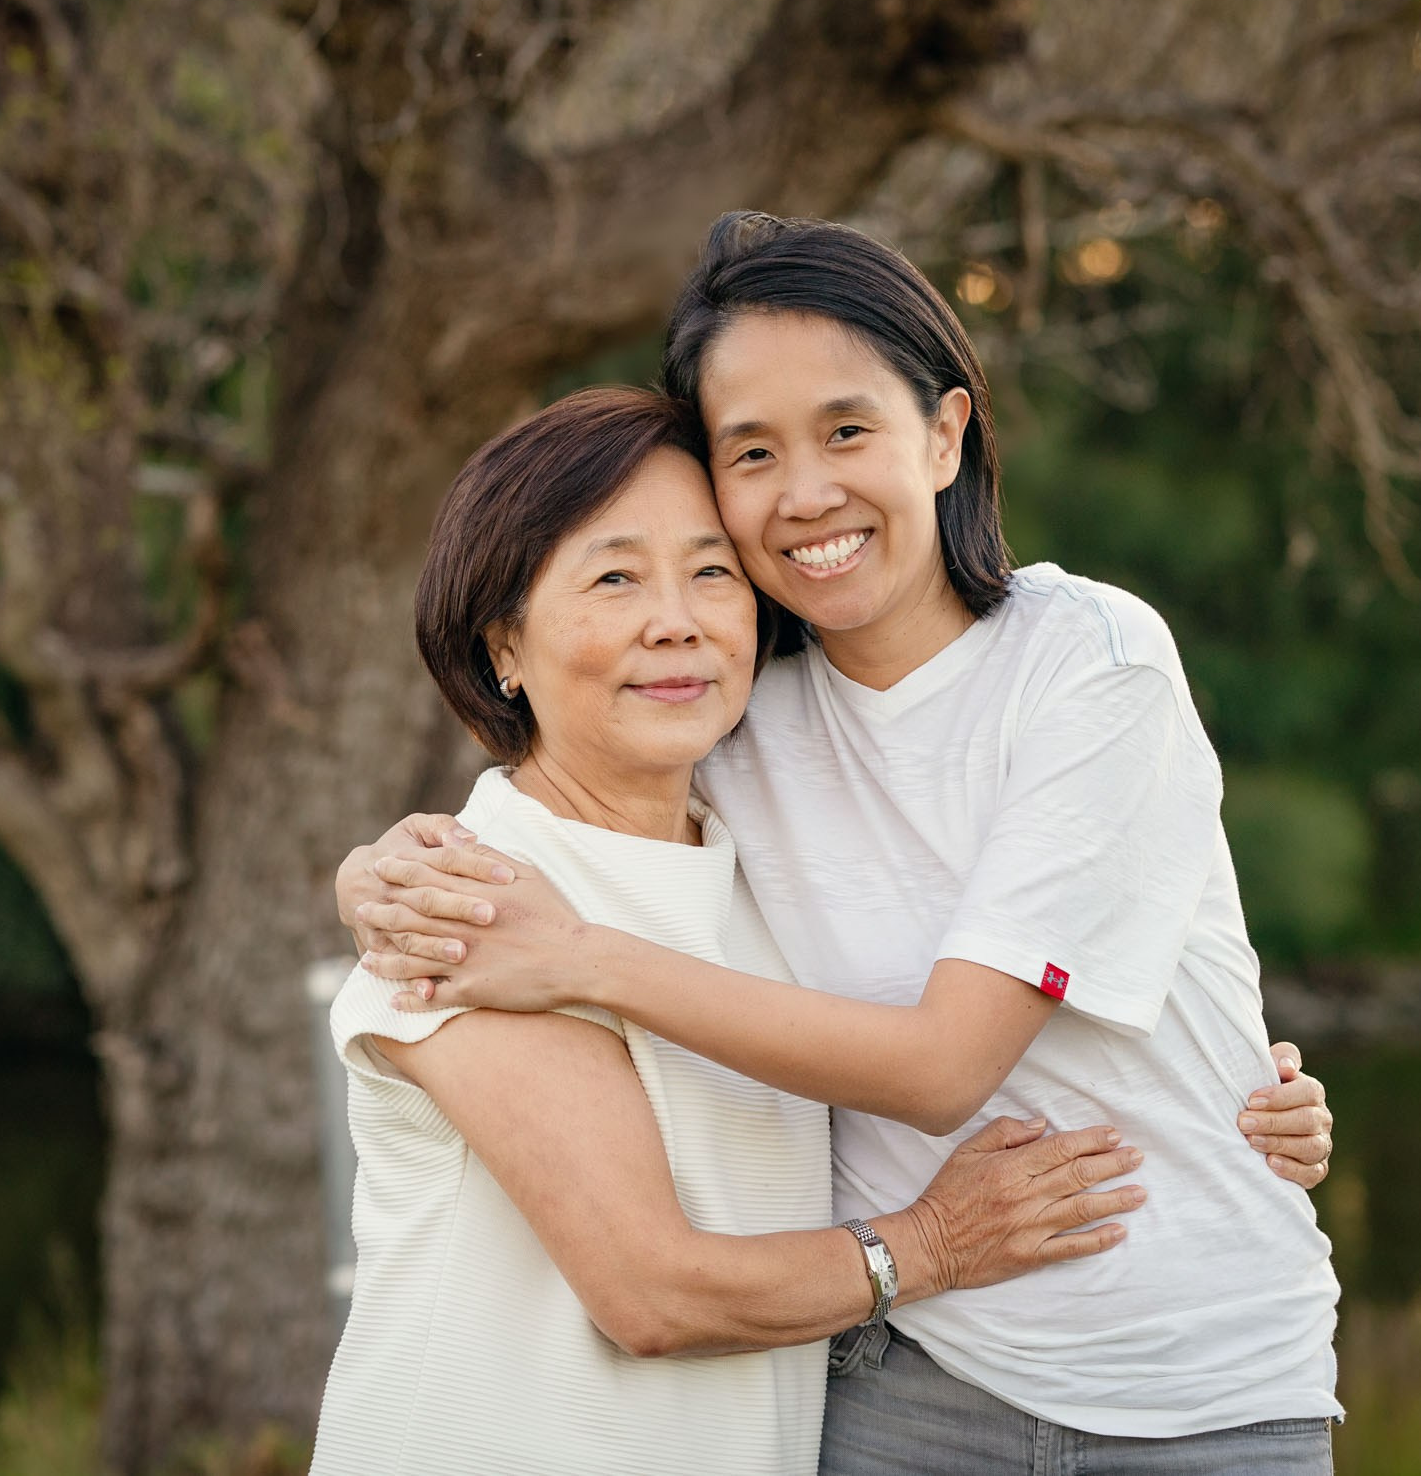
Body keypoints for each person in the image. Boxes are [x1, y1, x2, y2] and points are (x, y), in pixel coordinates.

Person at [342, 212, 1343, 1474]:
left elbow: (944, 1064)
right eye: (751, 451)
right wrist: (370, 876)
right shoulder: (741, 724)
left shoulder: (1086, 659)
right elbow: (559, 789)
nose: (806, 491)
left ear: (945, 431)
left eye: (847, 429)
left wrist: (576, 957)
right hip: (905, 1387)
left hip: (1196, 1392)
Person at [312, 386, 1160, 1476]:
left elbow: (958, 1002)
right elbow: (652, 1293)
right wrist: (934, 1243)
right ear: (503, 647)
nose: (678, 617)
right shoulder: (473, 907)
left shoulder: (753, 857)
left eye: (711, 570)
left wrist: (1254, 1086)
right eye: (615, 576)